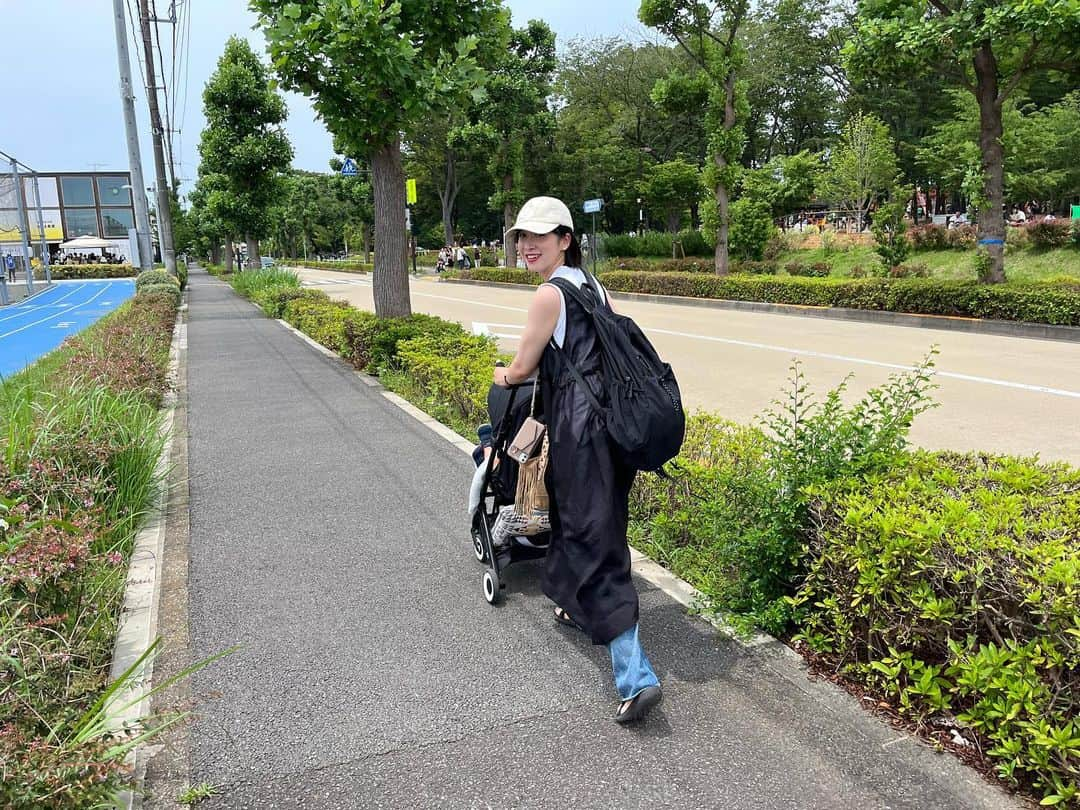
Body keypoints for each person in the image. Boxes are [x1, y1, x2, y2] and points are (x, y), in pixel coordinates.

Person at [493, 195, 663, 724]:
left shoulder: (549, 294)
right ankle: (573, 605)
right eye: (521, 237)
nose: (527, 246)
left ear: (565, 239)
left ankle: (637, 678)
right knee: (578, 523)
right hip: (611, 428)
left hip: (581, 431)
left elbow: (522, 366)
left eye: (538, 237)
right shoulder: (594, 286)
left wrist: (500, 376)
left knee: (597, 542)